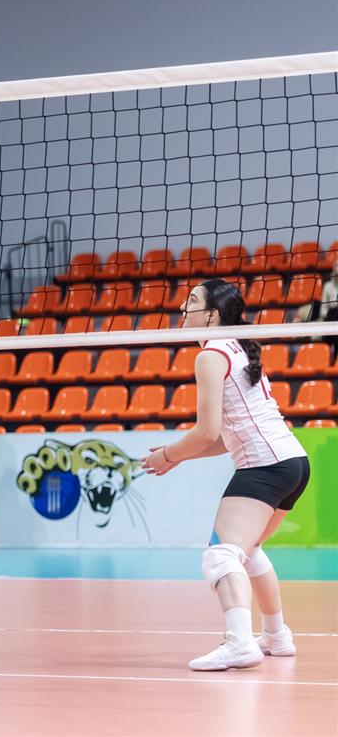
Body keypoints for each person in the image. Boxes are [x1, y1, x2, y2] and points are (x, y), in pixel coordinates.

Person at [142, 278, 309, 672]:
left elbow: (206, 432)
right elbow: (223, 438)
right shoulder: (237, 347)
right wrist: (179, 459)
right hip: (293, 462)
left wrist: (167, 454)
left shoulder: (211, 355)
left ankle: (239, 643)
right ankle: (276, 636)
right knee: (247, 551)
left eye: (191, 301)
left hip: (265, 465)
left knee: (221, 555)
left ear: (212, 314)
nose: (182, 308)